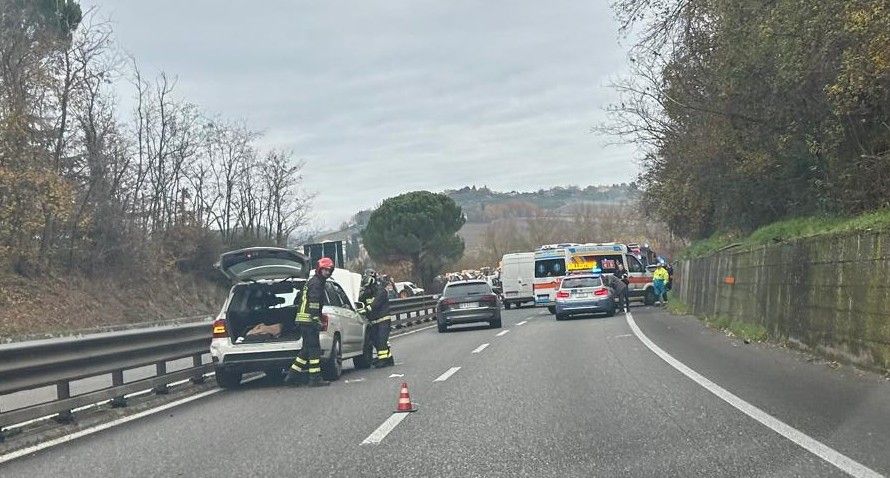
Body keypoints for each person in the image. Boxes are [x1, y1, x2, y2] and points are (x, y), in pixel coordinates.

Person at [284, 257, 335, 387]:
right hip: (309, 321)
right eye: (325, 270)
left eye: (329, 271)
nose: (327, 273)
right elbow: (314, 302)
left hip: (304, 320)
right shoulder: (317, 283)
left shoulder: (313, 281)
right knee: (314, 349)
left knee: (306, 350)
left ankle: (292, 375)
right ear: (319, 269)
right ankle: (315, 378)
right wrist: (315, 319)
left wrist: (318, 316)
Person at [358, 269, 393, 367]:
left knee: (381, 340)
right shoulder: (367, 292)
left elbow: (375, 303)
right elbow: (361, 300)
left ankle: (383, 361)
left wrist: (366, 309)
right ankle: (389, 359)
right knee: (376, 340)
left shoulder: (380, 290)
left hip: (383, 320)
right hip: (373, 321)